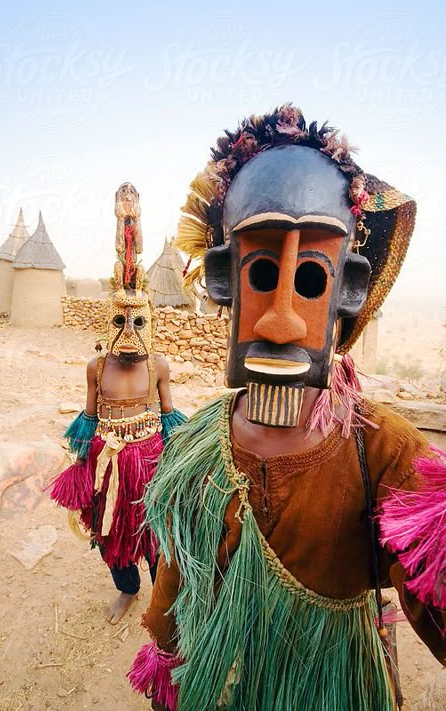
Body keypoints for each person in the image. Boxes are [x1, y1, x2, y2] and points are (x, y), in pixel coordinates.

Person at [128, 105, 445, 710]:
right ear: (224, 278)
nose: (279, 319)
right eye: (263, 270)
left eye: (310, 280)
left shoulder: (381, 449)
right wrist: (168, 655)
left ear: (347, 289)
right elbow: (176, 575)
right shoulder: (197, 447)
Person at [47, 183, 186, 624]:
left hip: (149, 461)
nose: (129, 330)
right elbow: (88, 416)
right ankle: (127, 590)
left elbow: (170, 419)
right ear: (109, 319)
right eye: (121, 319)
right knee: (111, 533)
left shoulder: (159, 366)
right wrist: (80, 462)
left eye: (138, 319)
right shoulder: (95, 367)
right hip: (106, 460)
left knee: (153, 533)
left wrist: (181, 460)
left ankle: (163, 593)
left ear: (151, 319)